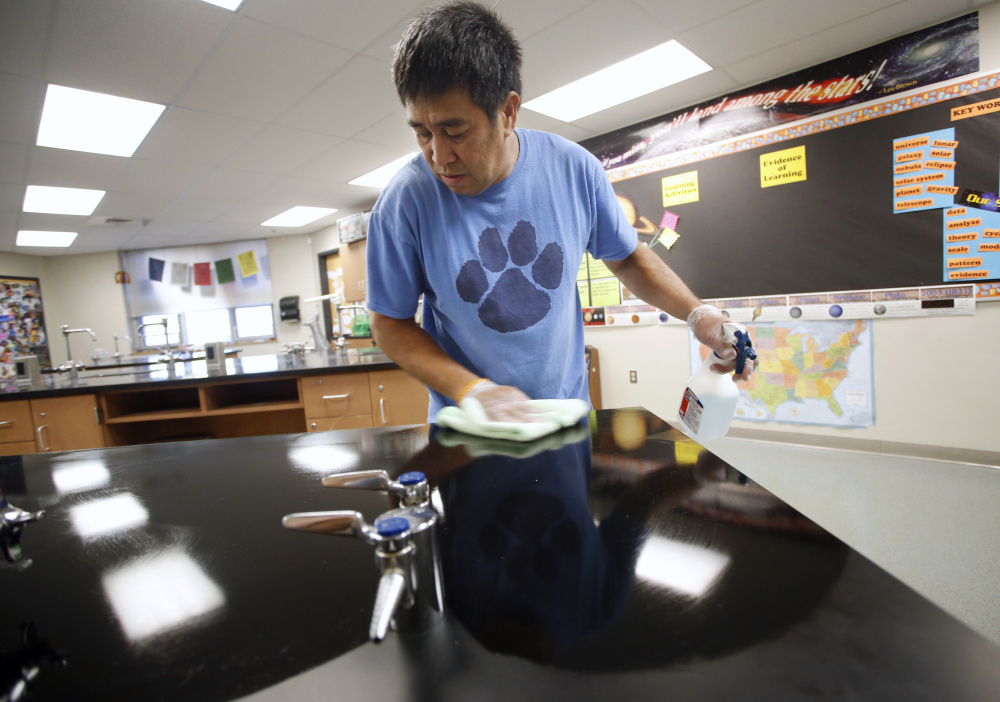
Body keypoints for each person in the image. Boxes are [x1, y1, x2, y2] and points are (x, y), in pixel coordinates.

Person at [366, 1, 755, 424]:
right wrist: (472, 389)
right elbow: (389, 322)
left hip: (565, 416)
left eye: (455, 131)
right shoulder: (405, 201)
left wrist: (699, 314)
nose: (438, 156)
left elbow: (626, 257)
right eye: (422, 133)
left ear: (508, 111)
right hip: (469, 427)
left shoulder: (573, 169)